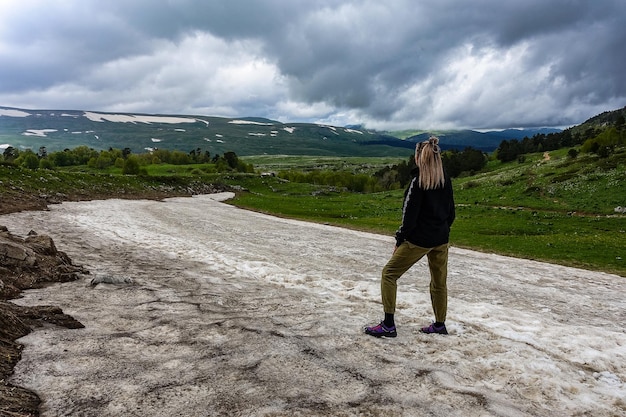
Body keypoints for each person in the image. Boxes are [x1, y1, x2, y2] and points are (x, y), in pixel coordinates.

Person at [365, 136, 455, 338]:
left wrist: (399, 240)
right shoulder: (445, 179)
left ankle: (388, 324)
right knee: (439, 282)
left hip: (419, 240)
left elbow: (409, 218)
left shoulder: (418, 182)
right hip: (441, 239)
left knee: (389, 274)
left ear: (418, 157)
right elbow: (451, 213)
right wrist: (441, 230)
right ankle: (440, 324)